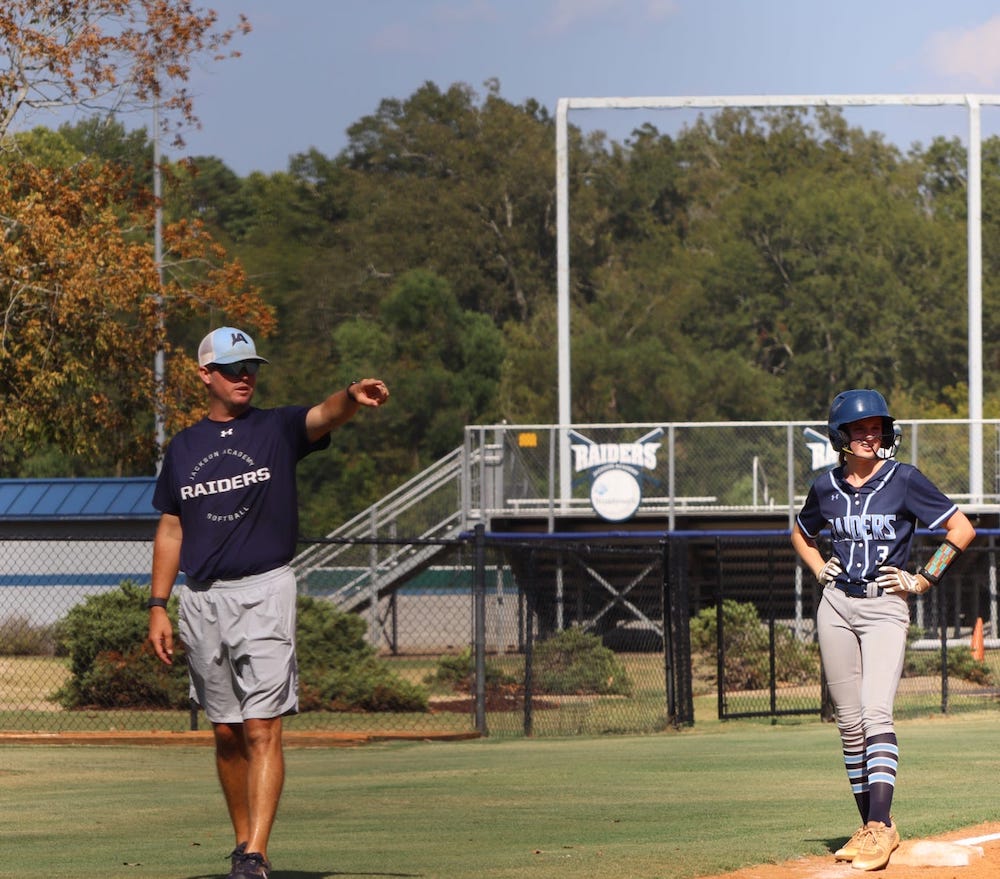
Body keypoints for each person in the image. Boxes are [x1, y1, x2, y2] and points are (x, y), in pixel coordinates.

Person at [147, 326, 389, 879]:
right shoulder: (183, 448)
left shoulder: (275, 428)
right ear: (204, 374)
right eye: (232, 369)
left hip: (264, 591)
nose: (244, 377)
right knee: (227, 732)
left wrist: (351, 396)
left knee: (261, 727)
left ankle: (255, 852)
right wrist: (158, 604)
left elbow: (324, 416)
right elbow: (170, 527)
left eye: (251, 367)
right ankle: (241, 844)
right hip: (202, 600)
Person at [791, 389, 975, 872]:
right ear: (842, 437)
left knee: (876, 714)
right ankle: (875, 826)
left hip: (884, 608)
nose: (870, 435)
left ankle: (878, 826)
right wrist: (816, 566)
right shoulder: (826, 486)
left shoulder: (904, 479)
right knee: (849, 724)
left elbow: (961, 529)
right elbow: (800, 532)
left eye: (876, 427)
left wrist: (923, 578)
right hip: (835, 605)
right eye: (860, 429)